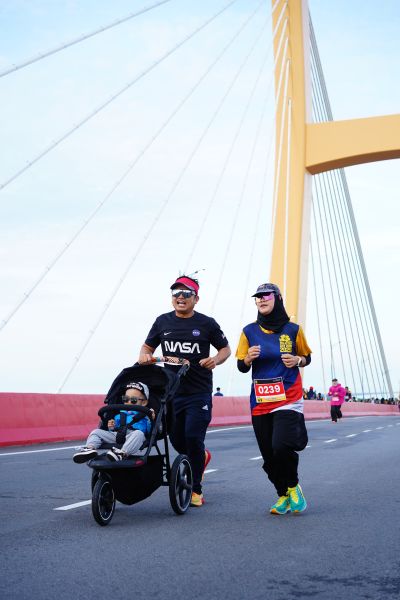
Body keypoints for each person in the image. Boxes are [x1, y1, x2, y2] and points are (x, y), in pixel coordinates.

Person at [138, 274, 231, 507]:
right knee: (177, 440)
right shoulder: (162, 322)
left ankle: (196, 490)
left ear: (196, 299)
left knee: (193, 437)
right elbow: (147, 347)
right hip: (170, 392)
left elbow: (225, 350)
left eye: (186, 293)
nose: (180, 297)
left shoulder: (207, 323)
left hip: (198, 392)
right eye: (176, 293)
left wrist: (215, 360)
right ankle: (200, 457)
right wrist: (144, 356)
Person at [236, 283, 312, 515]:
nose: (261, 300)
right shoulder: (249, 331)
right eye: (257, 297)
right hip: (260, 401)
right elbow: (241, 366)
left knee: (281, 446)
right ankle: (283, 494)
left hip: (288, 397)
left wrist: (297, 360)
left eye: (266, 296)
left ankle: (293, 486)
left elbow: (307, 357)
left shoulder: (293, 330)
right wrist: (247, 359)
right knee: (268, 456)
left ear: (277, 298)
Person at [73, 381, 155, 463]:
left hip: (134, 436)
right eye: (125, 399)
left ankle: (122, 453)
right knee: (96, 432)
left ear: (143, 402)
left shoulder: (145, 415)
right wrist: (111, 427)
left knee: (139, 434)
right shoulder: (119, 415)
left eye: (133, 400)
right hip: (118, 434)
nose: (129, 403)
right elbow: (114, 429)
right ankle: (90, 448)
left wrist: (151, 418)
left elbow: (149, 430)